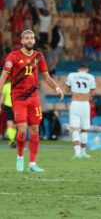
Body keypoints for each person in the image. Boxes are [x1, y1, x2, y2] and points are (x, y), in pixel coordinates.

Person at [0, 29, 64, 172]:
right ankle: (20, 157)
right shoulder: (13, 56)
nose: (29, 40)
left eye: (32, 38)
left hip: (33, 97)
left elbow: (46, 77)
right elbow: (4, 76)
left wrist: (57, 88)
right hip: (18, 97)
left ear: (34, 41)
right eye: (27, 38)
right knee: (22, 130)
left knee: (35, 129)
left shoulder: (39, 57)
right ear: (22, 41)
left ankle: (32, 164)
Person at [65, 64, 96, 159]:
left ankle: (77, 153)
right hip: (85, 104)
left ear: (78, 69)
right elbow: (93, 93)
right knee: (84, 130)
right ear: (87, 69)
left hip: (75, 103)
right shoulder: (91, 77)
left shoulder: (71, 75)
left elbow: (67, 89)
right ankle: (83, 152)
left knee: (75, 129)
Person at [0, 80, 16, 148]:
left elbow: (2, 98)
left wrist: (0, 106)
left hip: (10, 106)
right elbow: (2, 98)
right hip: (14, 106)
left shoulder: (6, 86)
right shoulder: (16, 85)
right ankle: (12, 140)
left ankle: (12, 140)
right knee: (13, 124)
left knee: (11, 124)